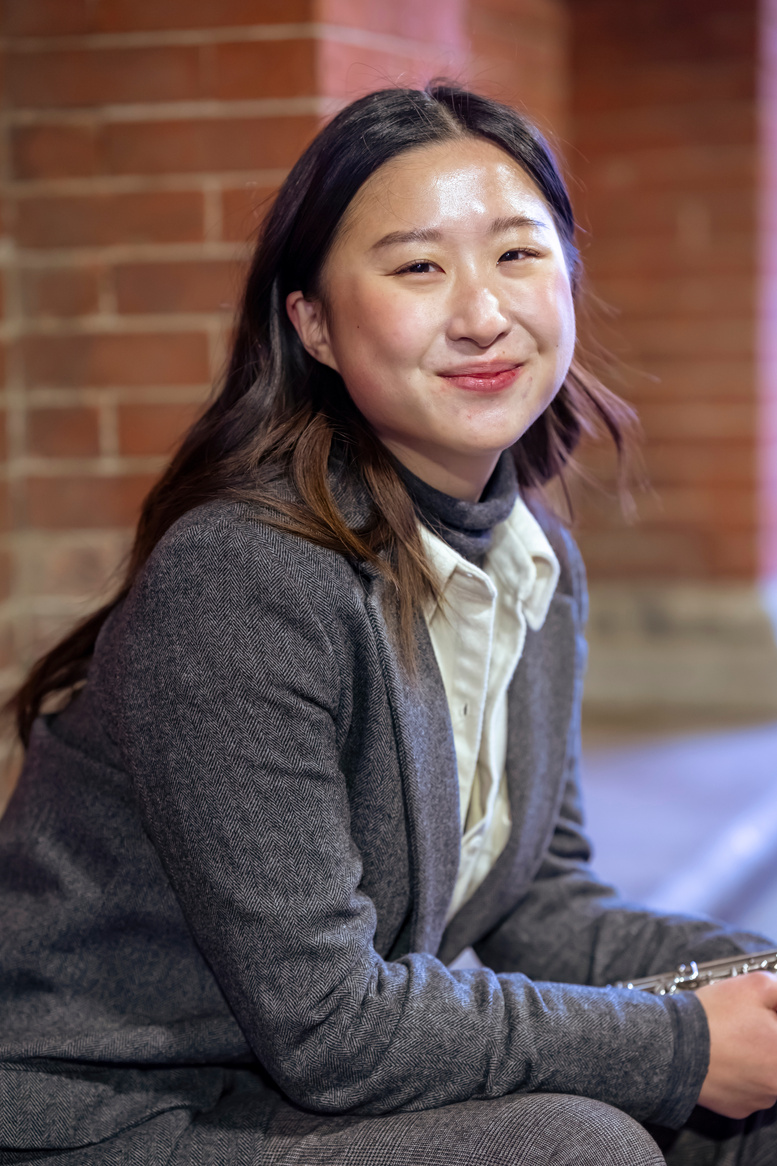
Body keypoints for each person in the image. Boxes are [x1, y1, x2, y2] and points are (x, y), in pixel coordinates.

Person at [0, 83, 776, 1166]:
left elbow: (528, 906)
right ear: (310, 320)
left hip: (304, 1084)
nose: (481, 313)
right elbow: (328, 1023)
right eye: (419, 266)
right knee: (576, 1147)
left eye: (518, 254)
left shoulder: (534, 565)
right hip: (135, 1108)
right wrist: (676, 1044)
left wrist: (754, 975)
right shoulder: (247, 576)